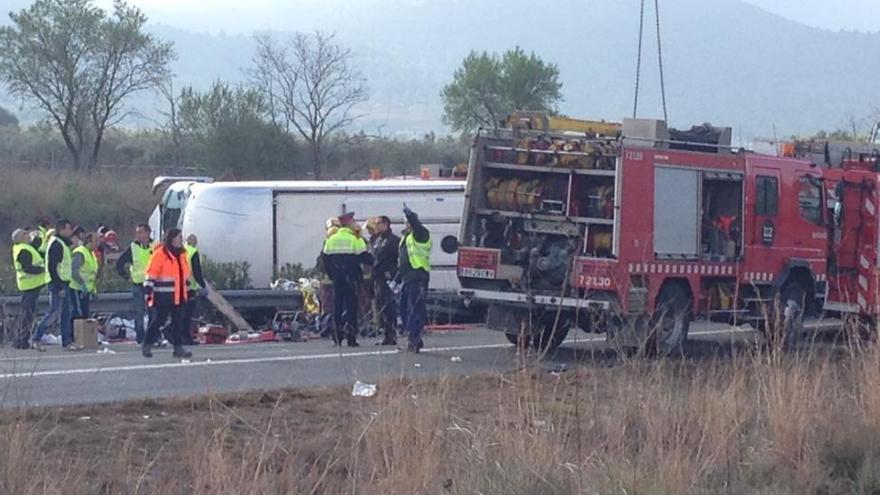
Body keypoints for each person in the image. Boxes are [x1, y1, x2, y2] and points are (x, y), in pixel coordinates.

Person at [321, 212, 372, 347]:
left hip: (337, 280)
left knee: (336, 308)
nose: (355, 223)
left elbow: (325, 260)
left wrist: (332, 275)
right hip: (352, 278)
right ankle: (351, 338)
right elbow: (366, 258)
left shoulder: (331, 239)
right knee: (351, 308)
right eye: (353, 221)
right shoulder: (355, 239)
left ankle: (336, 338)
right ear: (349, 223)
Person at [32, 219, 82, 351]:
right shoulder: (56, 244)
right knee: (54, 312)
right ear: (62, 230)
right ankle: (36, 338)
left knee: (66, 312)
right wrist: (59, 287)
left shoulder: (61, 243)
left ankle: (67, 342)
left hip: (64, 282)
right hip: (57, 284)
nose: (71, 232)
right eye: (69, 229)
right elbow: (52, 267)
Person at [142, 228, 192, 359]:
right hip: (163, 295)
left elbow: (184, 275)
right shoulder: (160, 254)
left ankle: (178, 348)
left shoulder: (182, 255)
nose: (181, 240)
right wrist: (148, 290)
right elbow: (152, 273)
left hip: (178, 295)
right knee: (158, 321)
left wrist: (188, 289)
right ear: (171, 239)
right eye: (179, 237)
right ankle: (147, 343)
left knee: (177, 323)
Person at [398, 206, 432, 353]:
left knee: (415, 309)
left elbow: (417, 226)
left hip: (418, 275)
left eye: (407, 222)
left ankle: (414, 340)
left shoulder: (421, 234)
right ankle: (414, 337)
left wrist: (410, 215)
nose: (406, 224)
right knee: (405, 308)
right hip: (408, 278)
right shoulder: (406, 237)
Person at [116, 224, 155, 345]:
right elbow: (119, 264)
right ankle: (141, 338)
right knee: (139, 313)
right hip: (138, 285)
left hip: (152, 285)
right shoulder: (133, 248)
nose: (138, 235)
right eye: (137, 232)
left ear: (148, 233)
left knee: (153, 312)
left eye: (141, 232)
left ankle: (151, 337)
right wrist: (127, 276)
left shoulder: (156, 247)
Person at [12, 229, 48, 350]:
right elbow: (28, 268)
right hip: (30, 285)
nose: (28, 235)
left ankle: (22, 339)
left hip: (31, 285)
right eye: (25, 234)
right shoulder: (23, 250)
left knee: (27, 314)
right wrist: (42, 270)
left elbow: (38, 246)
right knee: (27, 314)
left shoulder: (26, 248)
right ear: (20, 238)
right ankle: (21, 340)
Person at [370, 216, 400, 346]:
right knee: (380, 307)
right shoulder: (377, 239)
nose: (376, 226)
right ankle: (386, 335)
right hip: (377, 277)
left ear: (386, 224)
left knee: (389, 307)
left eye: (378, 223)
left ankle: (391, 335)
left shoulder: (393, 240)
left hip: (387, 278)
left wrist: (393, 274)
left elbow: (397, 259)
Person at [182, 234, 207, 345]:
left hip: (179, 287)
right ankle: (187, 337)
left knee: (181, 314)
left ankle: (181, 336)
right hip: (190, 287)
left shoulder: (181, 250)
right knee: (188, 315)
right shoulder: (193, 252)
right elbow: (197, 272)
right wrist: (203, 285)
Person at [71, 232, 100, 320]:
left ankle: (82, 333)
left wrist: (93, 290)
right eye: (96, 240)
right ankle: (76, 333)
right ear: (89, 242)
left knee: (85, 315)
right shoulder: (80, 253)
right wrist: (82, 284)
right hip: (77, 288)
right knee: (78, 315)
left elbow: (92, 274)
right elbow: (74, 271)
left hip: (86, 290)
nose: (98, 243)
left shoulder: (92, 254)